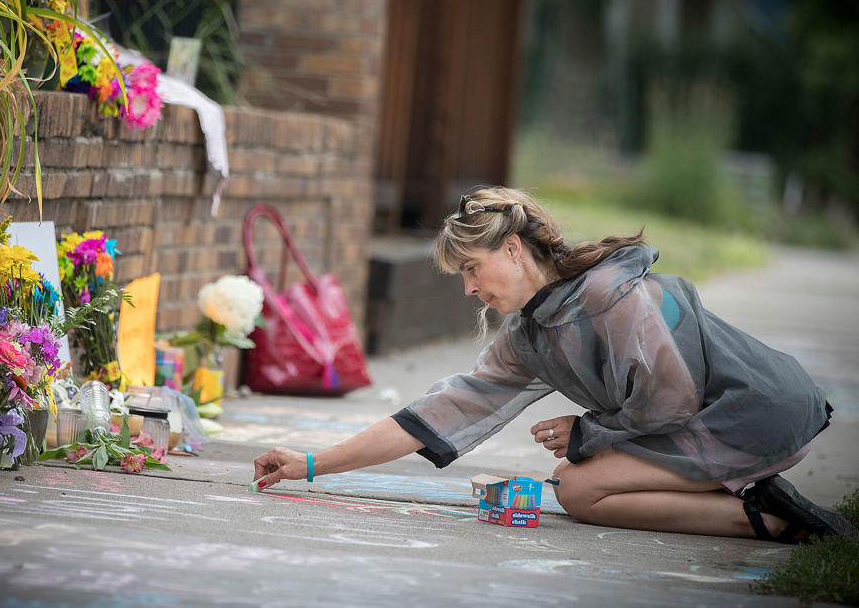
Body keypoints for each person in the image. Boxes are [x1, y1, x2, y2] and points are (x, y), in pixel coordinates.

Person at [253, 186, 854, 542]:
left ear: (512, 249)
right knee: (577, 481)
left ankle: (770, 519)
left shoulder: (610, 296)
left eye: (471, 269)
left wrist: (586, 431)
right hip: (717, 418)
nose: (468, 289)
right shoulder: (532, 332)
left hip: (758, 410)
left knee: (576, 482)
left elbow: (671, 400)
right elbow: (436, 410)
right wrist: (312, 462)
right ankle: (770, 509)